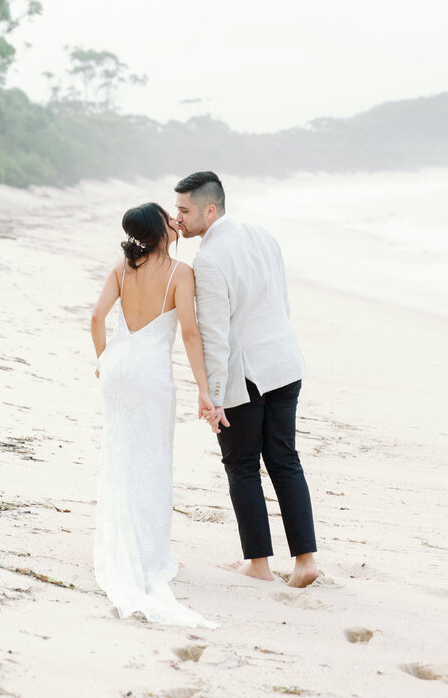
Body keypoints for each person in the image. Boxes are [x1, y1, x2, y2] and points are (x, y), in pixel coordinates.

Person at [174, 171, 318, 588]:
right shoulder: (263, 235)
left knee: (241, 466)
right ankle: (306, 560)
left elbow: (215, 335)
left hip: (247, 374)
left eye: (184, 210)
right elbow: (282, 301)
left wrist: (213, 397)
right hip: (285, 362)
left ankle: (258, 563)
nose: (178, 218)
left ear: (210, 209)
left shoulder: (210, 259)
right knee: (285, 460)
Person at [90, 201, 216, 626]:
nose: (174, 221)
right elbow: (190, 332)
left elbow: (96, 317)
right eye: (169, 216)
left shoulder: (123, 268)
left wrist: (103, 359)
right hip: (150, 373)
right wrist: (204, 388)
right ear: (161, 229)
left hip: (119, 367)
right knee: (152, 456)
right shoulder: (181, 274)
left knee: (120, 450)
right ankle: (147, 550)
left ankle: (120, 536)